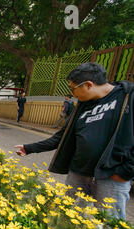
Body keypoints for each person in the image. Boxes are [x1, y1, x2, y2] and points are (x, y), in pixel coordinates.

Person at [15, 62, 134, 220]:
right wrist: (29, 148)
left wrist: (126, 172)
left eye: (73, 88)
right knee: (67, 217)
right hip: (79, 172)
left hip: (111, 175)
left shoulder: (127, 96)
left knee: (108, 226)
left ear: (88, 85)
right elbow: (62, 136)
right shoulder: (83, 105)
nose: (72, 93)